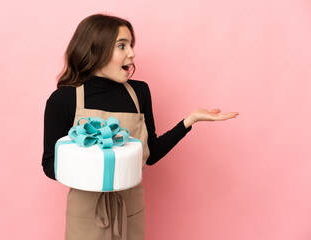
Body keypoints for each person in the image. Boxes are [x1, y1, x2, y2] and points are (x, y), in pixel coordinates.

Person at [42, 13, 238, 240]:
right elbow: (49, 165)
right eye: (122, 46)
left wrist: (188, 121)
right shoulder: (63, 99)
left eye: (131, 45)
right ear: (96, 49)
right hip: (86, 212)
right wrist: (97, 169)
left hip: (130, 208)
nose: (132, 53)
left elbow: (150, 154)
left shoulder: (139, 93)